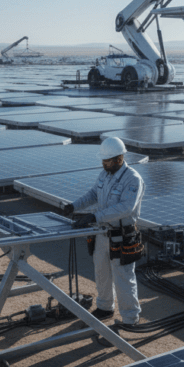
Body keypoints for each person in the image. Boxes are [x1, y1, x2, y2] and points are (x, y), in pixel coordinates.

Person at [60, 137, 144, 326]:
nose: (104, 164)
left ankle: (130, 318)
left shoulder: (133, 179)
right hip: (101, 235)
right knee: (102, 272)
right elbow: (93, 194)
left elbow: (126, 208)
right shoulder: (104, 175)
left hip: (122, 236)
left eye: (107, 161)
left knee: (123, 278)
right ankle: (105, 307)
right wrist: (74, 206)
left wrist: (95, 216)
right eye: (103, 161)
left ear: (119, 159)